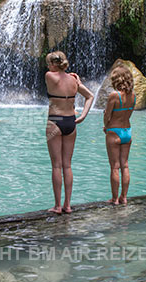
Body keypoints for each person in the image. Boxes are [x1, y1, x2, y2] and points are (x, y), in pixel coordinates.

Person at [45, 51, 94, 214]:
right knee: (67, 165)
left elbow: (56, 76)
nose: (47, 67)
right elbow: (90, 96)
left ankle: (58, 206)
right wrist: (83, 115)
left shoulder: (49, 76)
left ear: (53, 64)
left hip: (55, 122)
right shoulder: (73, 80)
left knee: (56, 166)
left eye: (48, 63)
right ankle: (68, 205)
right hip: (71, 122)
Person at [103, 66, 135, 205]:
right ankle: (124, 197)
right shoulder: (133, 96)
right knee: (125, 166)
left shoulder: (114, 96)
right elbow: (129, 114)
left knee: (114, 167)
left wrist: (106, 126)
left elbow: (107, 115)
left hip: (114, 131)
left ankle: (115, 199)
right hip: (127, 132)